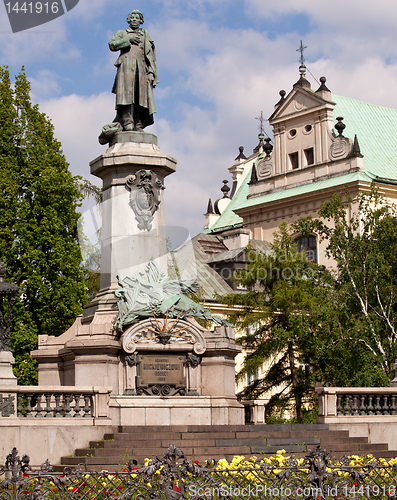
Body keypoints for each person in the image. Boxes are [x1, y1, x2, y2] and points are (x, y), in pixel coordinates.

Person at [108, 10, 158, 132]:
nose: (135, 19)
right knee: (126, 96)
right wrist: (128, 40)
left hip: (142, 70)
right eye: (132, 17)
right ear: (128, 20)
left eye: (137, 18)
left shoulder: (145, 35)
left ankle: (138, 124)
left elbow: (151, 56)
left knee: (141, 97)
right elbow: (112, 45)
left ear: (141, 21)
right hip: (126, 68)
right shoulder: (122, 33)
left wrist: (151, 72)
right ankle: (128, 122)